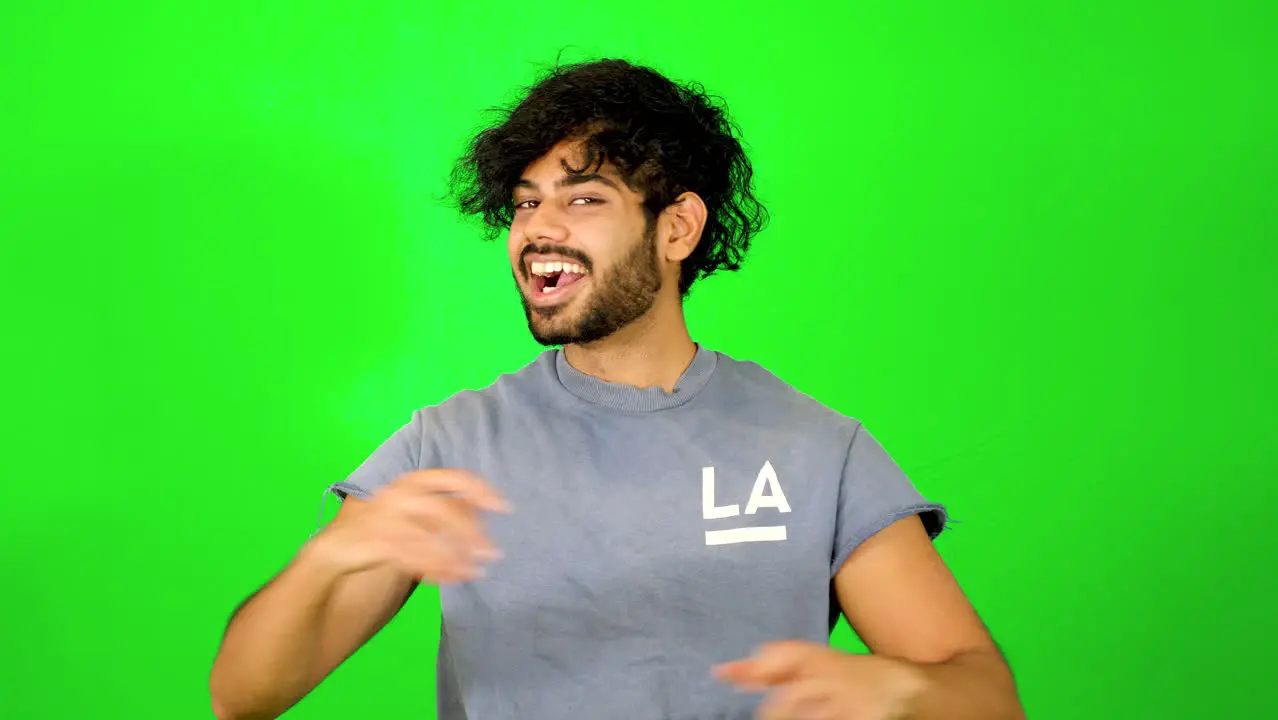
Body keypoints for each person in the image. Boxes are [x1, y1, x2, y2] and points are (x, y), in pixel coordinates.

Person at [209, 58, 1025, 720]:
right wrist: (328, 559)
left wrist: (905, 692)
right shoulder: (447, 448)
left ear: (677, 228)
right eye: (526, 202)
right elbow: (242, 697)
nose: (537, 230)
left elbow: (985, 694)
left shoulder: (814, 449)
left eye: (583, 199)